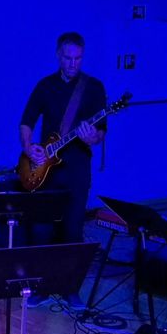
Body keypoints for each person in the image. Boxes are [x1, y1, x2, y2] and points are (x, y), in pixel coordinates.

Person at [20, 31, 107, 309]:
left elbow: (100, 134)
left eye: (78, 58)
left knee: (73, 230)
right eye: (68, 58)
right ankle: (41, 287)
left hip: (77, 170)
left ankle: (71, 289)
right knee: (41, 231)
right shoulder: (45, 85)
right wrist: (28, 148)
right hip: (45, 169)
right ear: (59, 55)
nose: (73, 63)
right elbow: (26, 122)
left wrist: (91, 136)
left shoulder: (93, 88)